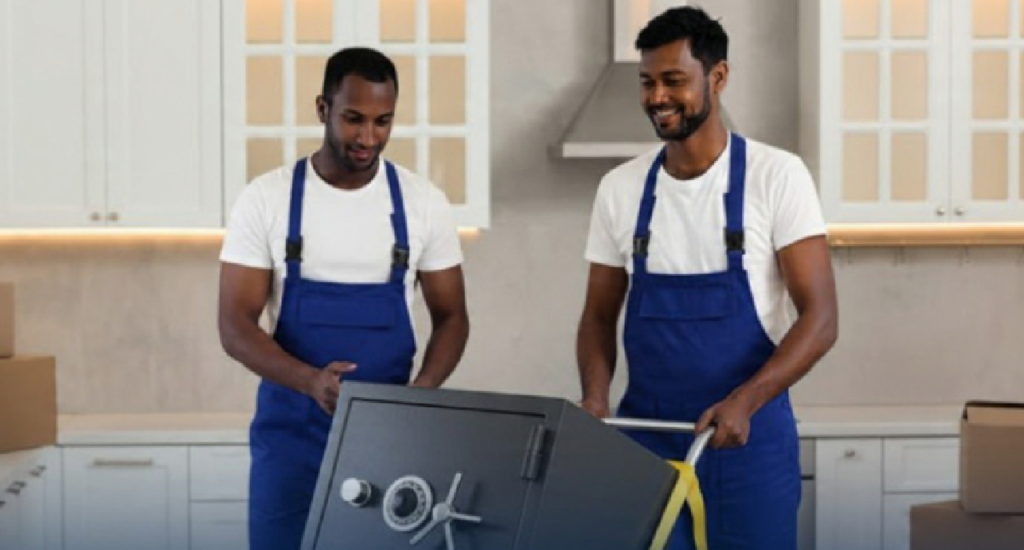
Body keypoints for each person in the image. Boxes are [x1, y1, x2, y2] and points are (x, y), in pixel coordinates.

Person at [575, 7, 838, 550]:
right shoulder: (619, 191)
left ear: (717, 77)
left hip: (750, 451)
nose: (657, 97)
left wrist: (746, 400)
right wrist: (595, 401)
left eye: (674, 81)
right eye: (647, 82)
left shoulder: (777, 177)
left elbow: (821, 319)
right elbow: (599, 316)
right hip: (645, 450)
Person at [217, 47, 470, 550]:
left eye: (383, 121)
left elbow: (453, 317)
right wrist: (311, 382)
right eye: (354, 119)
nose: (368, 137)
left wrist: (422, 392)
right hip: (291, 447)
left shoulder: (423, 204)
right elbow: (234, 325)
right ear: (322, 109)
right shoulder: (266, 200)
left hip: (390, 444)